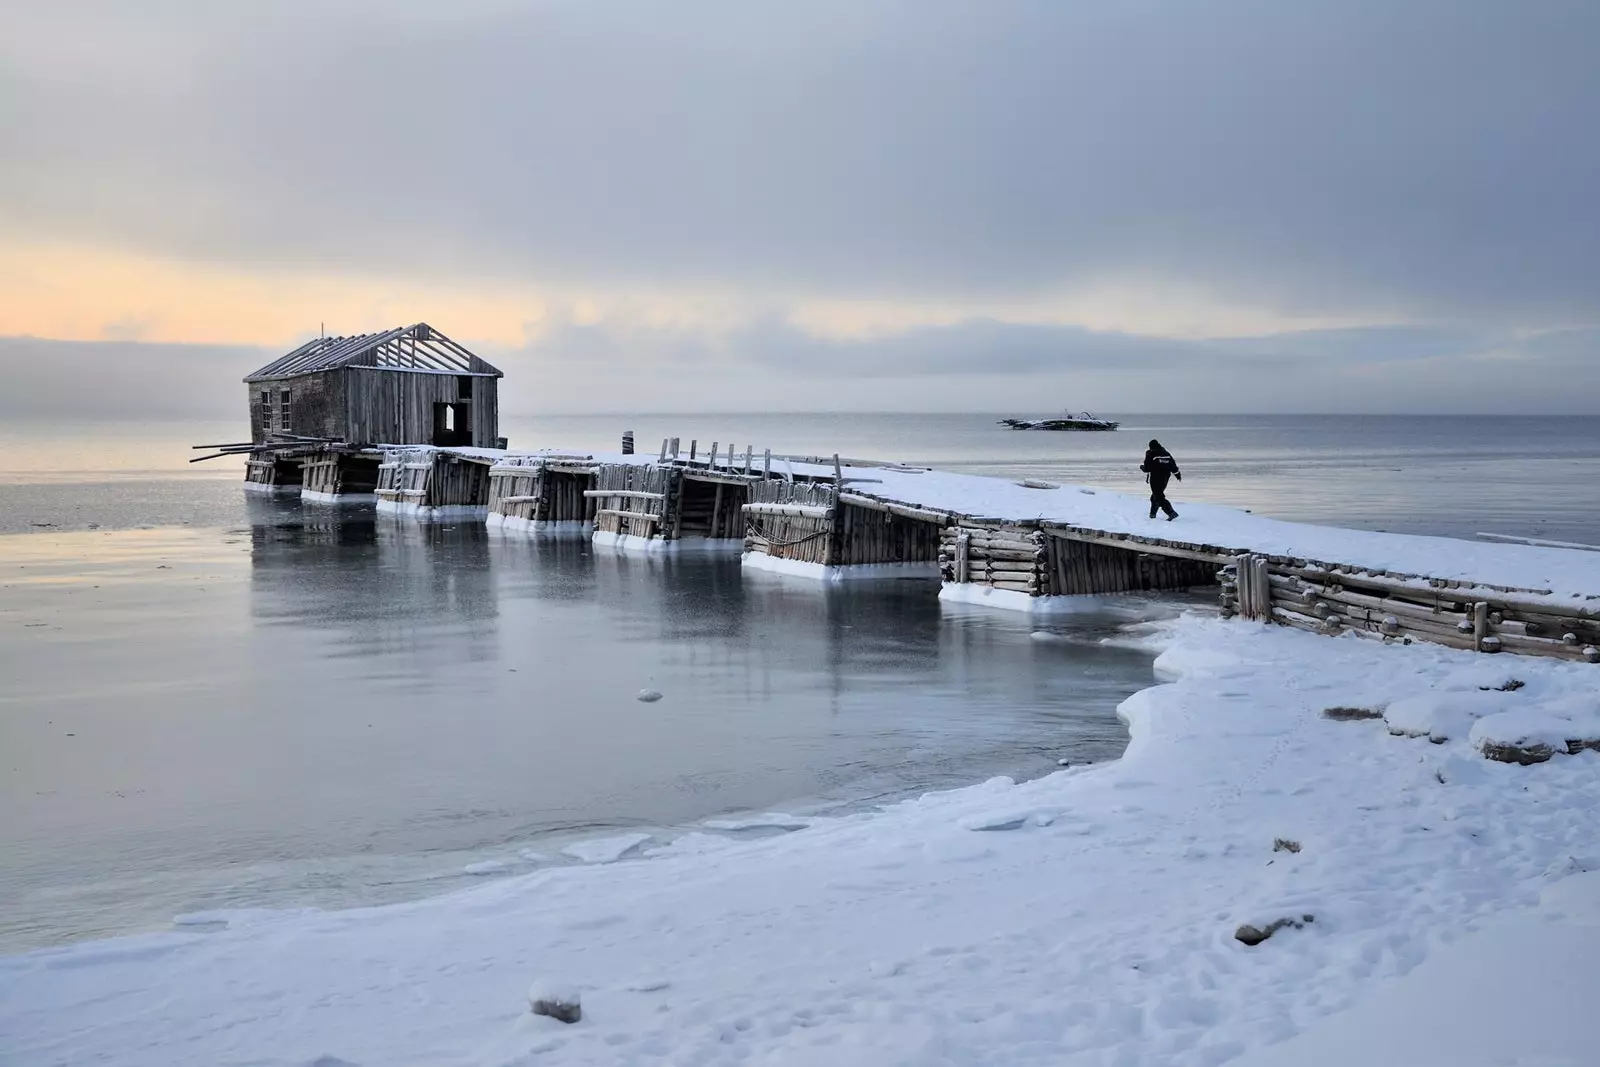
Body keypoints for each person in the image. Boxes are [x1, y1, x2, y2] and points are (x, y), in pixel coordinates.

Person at [1140, 439, 1181, 520]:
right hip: (1165, 477)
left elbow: (1148, 468)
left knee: (1158, 496)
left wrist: (1142, 467)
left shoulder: (1151, 454)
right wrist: (1177, 474)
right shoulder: (1166, 453)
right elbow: (1173, 465)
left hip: (1156, 477)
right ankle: (1152, 514)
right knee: (1156, 495)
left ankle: (1171, 512)